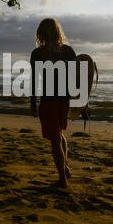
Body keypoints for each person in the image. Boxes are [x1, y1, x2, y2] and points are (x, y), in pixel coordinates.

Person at [30, 18, 76, 188]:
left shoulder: (38, 54)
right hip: (64, 100)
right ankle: (66, 169)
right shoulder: (68, 51)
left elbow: (35, 80)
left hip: (49, 101)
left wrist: (32, 103)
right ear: (58, 32)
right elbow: (76, 79)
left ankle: (62, 180)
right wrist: (80, 100)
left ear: (40, 34)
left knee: (55, 139)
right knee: (59, 134)